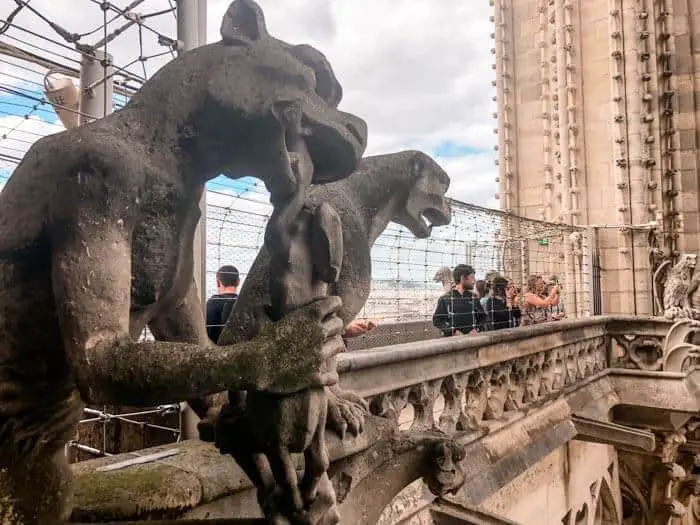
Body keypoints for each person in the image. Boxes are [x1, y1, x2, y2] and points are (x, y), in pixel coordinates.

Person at [432, 264, 486, 336]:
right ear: (462, 278)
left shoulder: (473, 297)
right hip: (452, 342)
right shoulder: (445, 299)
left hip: (472, 341)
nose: (474, 281)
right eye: (472, 277)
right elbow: (437, 321)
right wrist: (453, 331)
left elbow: (482, 317)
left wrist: (477, 329)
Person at [206, 265, 240, 343]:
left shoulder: (213, 302)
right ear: (238, 282)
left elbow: (207, 331)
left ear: (218, 282)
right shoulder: (243, 302)